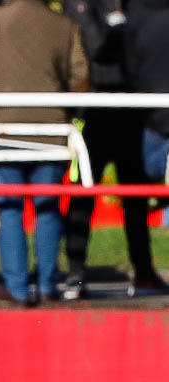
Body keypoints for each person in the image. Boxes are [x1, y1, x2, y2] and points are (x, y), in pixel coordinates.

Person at [0, 0, 88, 305]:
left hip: (1, 127)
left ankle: (16, 288)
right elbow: (80, 80)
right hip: (50, 129)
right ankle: (46, 284)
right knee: (48, 207)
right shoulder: (64, 26)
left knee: (9, 208)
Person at [61, 0, 164, 299]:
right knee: (83, 195)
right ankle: (76, 275)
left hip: (130, 112)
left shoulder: (135, 7)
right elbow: (96, 48)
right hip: (95, 112)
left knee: (136, 195)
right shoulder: (81, 5)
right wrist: (120, 27)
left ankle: (144, 272)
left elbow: (143, 52)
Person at [127, 0, 169, 194]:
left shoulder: (136, 12)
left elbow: (131, 64)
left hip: (150, 111)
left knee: (148, 174)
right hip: (151, 111)